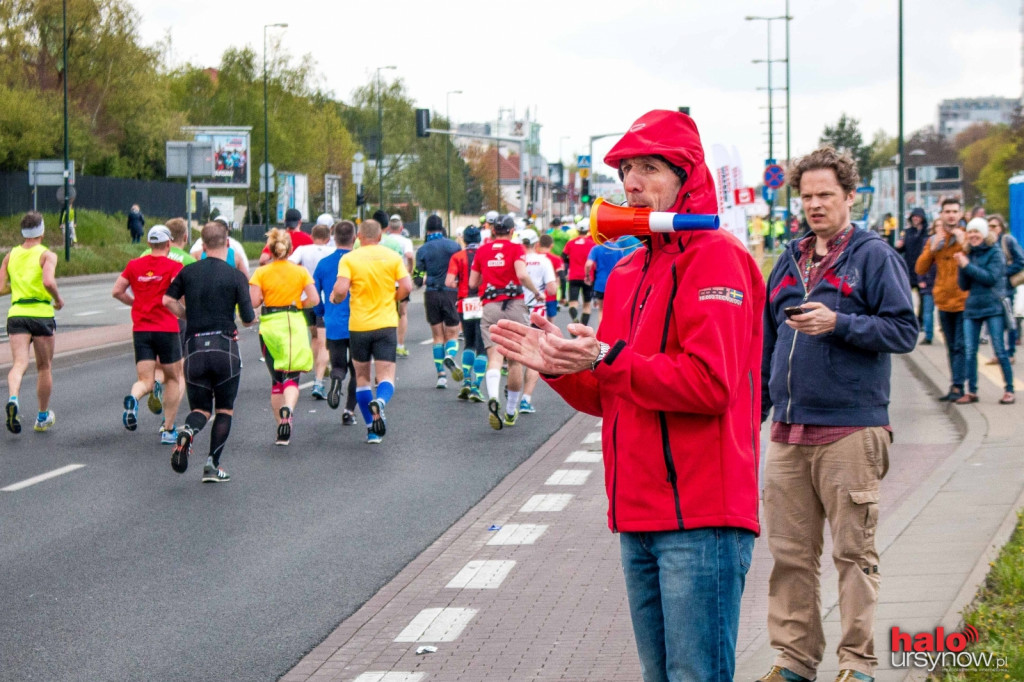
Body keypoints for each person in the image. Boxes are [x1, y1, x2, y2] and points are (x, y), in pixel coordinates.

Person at [490, 109, 763, 681]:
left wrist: (607, 359)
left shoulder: (718, 257)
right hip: (636, 516)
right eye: (624, 170)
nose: (631, 183)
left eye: (648, 168)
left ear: (686, 177)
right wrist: (562, 369)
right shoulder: (627, 269)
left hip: (701, 518)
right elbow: (613, 391)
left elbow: (710, 386)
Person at [760, 147, 917, 682]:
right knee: (790, 556)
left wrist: (840, 323)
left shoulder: (874, 256)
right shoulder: (789, 259)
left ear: (851, 196)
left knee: (854, 554)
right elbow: (768, 342)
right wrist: (753, 413)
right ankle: (796, 661)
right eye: (806, 196)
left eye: (826, 194)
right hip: (787, 430)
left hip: (850, 428)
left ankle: (857, 665)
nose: (815, 204)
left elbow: (903, 331)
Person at [162, 222, 257, 482]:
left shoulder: (188, 272)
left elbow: (167, 300)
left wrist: (187, 315)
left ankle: (189, 432)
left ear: (202, 246)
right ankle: (212, 465)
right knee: (224, 410)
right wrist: (253, 319)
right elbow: (248, 319)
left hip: (193, 348)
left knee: (201, 410)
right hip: (224, 348)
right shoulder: (235, 275)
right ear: (227, 244)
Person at [330, 219, 412, 444]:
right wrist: (393, 299)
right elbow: (407, 286)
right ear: (380, 237)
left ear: (358, 237)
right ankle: (382, 402)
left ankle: (371, 430)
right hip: (386, 324)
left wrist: (336, 299)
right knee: (386, 376)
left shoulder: (349, 258)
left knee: (362, 377)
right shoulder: (392, 257)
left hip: (359, 326)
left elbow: (340, 289)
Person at [111, 225, 185, 444]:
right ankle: (168, 430)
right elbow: (180, 297)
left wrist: (136, 302)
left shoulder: (134, 265)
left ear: (149, 244)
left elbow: (117, 291)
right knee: (173, 378)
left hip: (141, 329)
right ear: (169, 244)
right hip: (167, 328)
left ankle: (133, 399)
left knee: (145, 379)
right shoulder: (175, 266)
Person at [469, 214, 541, 430]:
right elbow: (522, 275)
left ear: (493, 231)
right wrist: (536, 292)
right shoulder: (516, 248)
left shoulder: (482, 250)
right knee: (515, 360)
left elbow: (473, 282)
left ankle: (493, 396)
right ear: (511, 231)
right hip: (515, 305)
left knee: (494, 355)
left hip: (491, 305)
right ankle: (510, 411)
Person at [249, 228, 319, 446]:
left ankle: (281, 428)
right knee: (292, 376)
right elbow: (314, 299)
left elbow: (253, 303)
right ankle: (289, 410)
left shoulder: (260, 273)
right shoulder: (300, 272)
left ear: (270, 250)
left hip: (270, 325)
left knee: (276, 379)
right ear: (290, 249)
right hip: (294, 323)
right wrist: (299, 304)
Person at [2, 212, 65, 434]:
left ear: (22, 232)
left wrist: (19, 287)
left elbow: (1, 288)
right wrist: (57, 299)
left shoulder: (10, 256)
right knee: (44, 366)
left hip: (17, 312)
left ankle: (13, 398)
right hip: (41, 313)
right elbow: (48, 281)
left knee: (19, 363)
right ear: (42, 231)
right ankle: (42, 416)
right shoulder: (47, 255)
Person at [955, 218, 1015, 405]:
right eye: (970, 232)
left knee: (999, 350)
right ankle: (971, 391)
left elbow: (990, 277)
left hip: (993, 307)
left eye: (977, 232)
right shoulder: (968, 254)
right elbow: (963, 285)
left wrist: (966, 266)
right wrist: (961, 267)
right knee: (970, 350)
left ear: (984, 234)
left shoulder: (995, 252)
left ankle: (1009, 389)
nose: (973, 236)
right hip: (973, 307)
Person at [916, 198, 969, 401]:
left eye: (955, 211)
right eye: (947, 211)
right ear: (941, 215)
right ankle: (955, 384)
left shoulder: (966, 237)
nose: (951, 215)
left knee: (961, 346)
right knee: (951, 345)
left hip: (964, 299)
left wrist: (964, 244)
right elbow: (920, 269)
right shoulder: (934, 240)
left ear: (960, 214)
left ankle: (960, 386)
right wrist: (933, 248)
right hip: (944, 300)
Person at [312, 221, 359, 425]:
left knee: (338, 364)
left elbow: (314, 295)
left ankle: (336, 380)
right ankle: (349, 411)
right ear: (355, 238)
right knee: (359, 369)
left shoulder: (324, 263)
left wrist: (321, 312)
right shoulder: (358, 262)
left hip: (333, 321)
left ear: (333, 238)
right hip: (359, 322)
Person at [414, 214, 463, 389]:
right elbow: (462, 269)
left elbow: (418, 278)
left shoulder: (423, 250)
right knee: (452, 334)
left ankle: (441, 375)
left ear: (427, 230)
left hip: (432, 294)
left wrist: (425, 278)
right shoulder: (454, 246)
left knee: (437, 336)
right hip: (451, 293)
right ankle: (450, 354)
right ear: (442, 229)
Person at [289, 222, 335, 399]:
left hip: (306, 299)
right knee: (324, 342)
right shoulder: (331, 251)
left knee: (314, 337)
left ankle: (319, 368)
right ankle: (318, 381)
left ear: (312, 235)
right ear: (327, 237)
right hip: (324, 299)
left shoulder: (302, 249)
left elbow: (291, 264)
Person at [446, 225, 487, 401]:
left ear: (464, 240)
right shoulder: (485, 254)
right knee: (482, 347)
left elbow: (448, 282)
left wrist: (459, 285)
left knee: (469, 343)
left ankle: (466, 382)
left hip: (465, 302)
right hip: (483, 301)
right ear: (479, 239)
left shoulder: (457, 256)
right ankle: (477, 387)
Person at [518, 228, 558, 414]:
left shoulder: (516, 260)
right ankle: (526, 399)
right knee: (533, 355)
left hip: (514, 308)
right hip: (536, 310)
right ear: (536, 244)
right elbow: (551, 290)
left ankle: (511, 396)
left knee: (515, 354)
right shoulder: (544, 260)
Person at [986, 213, 1024, 364]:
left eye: (994, 226)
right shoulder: (987, 243)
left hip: (1007, 289)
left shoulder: (1007, 240)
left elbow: (1021, 261)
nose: (991, 229)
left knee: (1009, 321)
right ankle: (998, 353)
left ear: (1001, 227)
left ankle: (1010, 353)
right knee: (995, 323)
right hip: (992, 290)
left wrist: (1004, 273)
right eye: (988, 226)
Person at [585, 234, 643, 323]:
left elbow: (588, 264)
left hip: (600, 283)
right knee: (615, 309)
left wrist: (587, 275)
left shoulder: (596, 248)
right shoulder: (617, 249)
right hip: (615, 282)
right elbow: (623, 264)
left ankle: (602, 334)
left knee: (602, 310)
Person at [381, 213, 415, 358]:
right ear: (401, 228)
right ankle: (400, 345)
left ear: (389, 228)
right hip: (400, 279)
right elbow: (409, 255)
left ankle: (384, 344)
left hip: (386, 280)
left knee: (385, 312)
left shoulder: (384, 240)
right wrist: (410, 269)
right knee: (403, 312)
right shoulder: (405, 241)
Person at [895, 208, 931, 339]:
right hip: (909, 268)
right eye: (914, 216)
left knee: (923, 297)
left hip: (922, 269)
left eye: (918, 216)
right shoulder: (907, 232)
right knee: (905, 294)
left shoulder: (926, 232)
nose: (916, 218)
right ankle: (907, 318)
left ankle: (920, 321)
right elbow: (900, 249)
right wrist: (898, 246)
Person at [561, 227, 596, 328]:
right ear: (587, 231)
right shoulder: (592, 244)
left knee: (573, 303)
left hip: (574, 276)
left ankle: (575, 318)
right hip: (588, 277)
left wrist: (569, 263)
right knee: (587, 304)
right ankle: (582, 329)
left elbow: (563, 256)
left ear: (577, 231)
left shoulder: (571, 243)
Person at [537, 233, 565, 318]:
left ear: (538, 244)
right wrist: (563, 296)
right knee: (550, 325)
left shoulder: (532, 258)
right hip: (550, 295)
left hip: (535, 296)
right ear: (552, 245)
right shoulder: (556, 259)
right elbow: (562, 278)